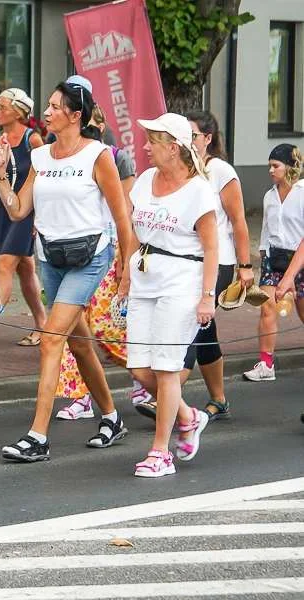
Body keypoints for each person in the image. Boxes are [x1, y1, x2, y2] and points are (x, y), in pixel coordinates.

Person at [0, 78, 134, 462]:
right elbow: (18, 210)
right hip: (51, 258)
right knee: (77, 340)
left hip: (90, 259)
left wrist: (126, 271)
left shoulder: (98, 156)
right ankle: (111, 416)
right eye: (49, 105)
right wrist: (1, 172)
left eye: (56, 107)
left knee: (51, 338)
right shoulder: (40, 158)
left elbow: (123, 219)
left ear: (75, 116)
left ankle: (38, 436)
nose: (48, 112)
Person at [132, 110, 254, 422]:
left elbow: (238, 222)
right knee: (204, 333)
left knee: (185, 343)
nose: (194, 140)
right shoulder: (153, 178)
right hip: (168, 267)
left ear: (205, 139)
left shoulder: (219, 172)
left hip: (214, 262)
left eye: (196, 135)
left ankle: (171, 400)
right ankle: (211, 399)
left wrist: (245, 264)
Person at [120, 114, 217, 478]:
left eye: (152, 141)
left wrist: (207, 296)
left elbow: (211, 248)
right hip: (146, 276)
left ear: (172, 148)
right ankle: (189, 417)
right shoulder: (146, 180)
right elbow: (134, 230)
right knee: (139, 367)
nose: (145, 147)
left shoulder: (198, 191)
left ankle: (160, 452)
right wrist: (127, 272)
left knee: (166, 368)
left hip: (182, 279)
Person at [55, 104, 141, 420]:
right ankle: (80, 395)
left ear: (101, 125)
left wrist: (126, 261)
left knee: (106, 327)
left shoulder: (115, 157)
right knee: (71, 325)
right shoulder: (62, 156)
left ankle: (143, 376)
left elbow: (127, 213)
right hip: (75, 251)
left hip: (108, 248)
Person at [0, 88, 47, 350]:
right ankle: (42, 325)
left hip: (26, 212)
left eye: (3, 107)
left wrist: (39, 218)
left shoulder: (34, 140)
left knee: (4, 265)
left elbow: (43, 180)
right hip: (3, 210)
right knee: (25, 270)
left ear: (18, 112)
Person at [244, 144, 304, 382]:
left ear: (289, 167)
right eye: (269, 165)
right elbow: (267, 230)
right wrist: (262, 255)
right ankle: (266, 365)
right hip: (274, 257)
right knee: (267, 307)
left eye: (275, 165)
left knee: (301, 310)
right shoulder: (269, 195)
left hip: (299, 258)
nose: (270, 170)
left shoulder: (302, 192)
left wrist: (290, 276)